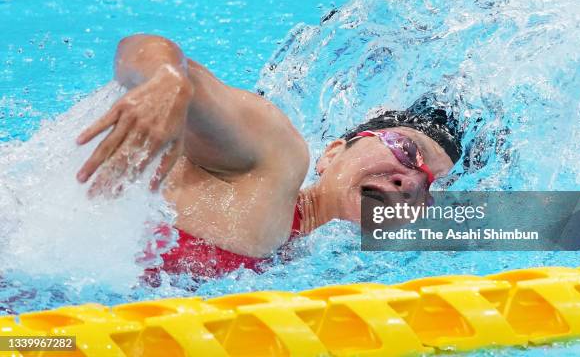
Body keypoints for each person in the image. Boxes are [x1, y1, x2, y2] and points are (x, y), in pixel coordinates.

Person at [76, 34, 462, 278]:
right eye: (408, 151)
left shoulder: (322, 273)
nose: (410, 181)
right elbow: (144, 49)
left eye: (430, 189)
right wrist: (168, 82)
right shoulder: (273, 160)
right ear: (332, 152)